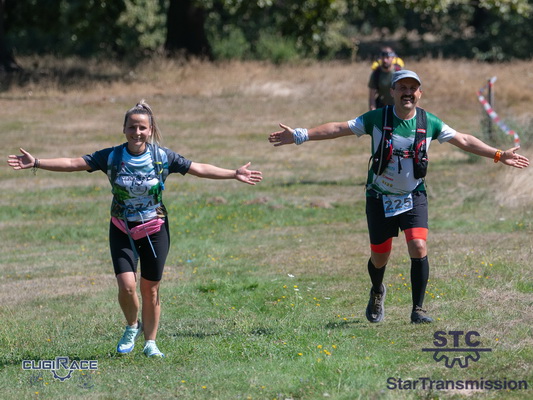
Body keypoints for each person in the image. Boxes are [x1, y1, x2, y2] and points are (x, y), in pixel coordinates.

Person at [268, 70, 529, 324]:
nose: (407, 93)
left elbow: (464, 140)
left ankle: (418, 309)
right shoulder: (377, 118)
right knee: (380, 257)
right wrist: (300, 135)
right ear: (392, 91)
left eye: (412, 88)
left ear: (420, 93)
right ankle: (377, 290)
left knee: (418, 246)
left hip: (414, 195)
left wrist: (498, 154)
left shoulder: (429, 122)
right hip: (379, 197)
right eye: (402, 88)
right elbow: (338, 127)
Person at [7, 100, 263, 357]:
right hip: (122, 228)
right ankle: (132, 326)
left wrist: (233, 173)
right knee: (127, 285)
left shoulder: (162, 157)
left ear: (150, 130)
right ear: (124, 129)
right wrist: (37, 162)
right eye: (132, 127)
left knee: (150, 289)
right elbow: (74, 163)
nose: (137, 132)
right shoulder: (112, 156)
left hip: (154, 229)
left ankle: (151, 342)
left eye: (142, 128)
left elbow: (198, 168)